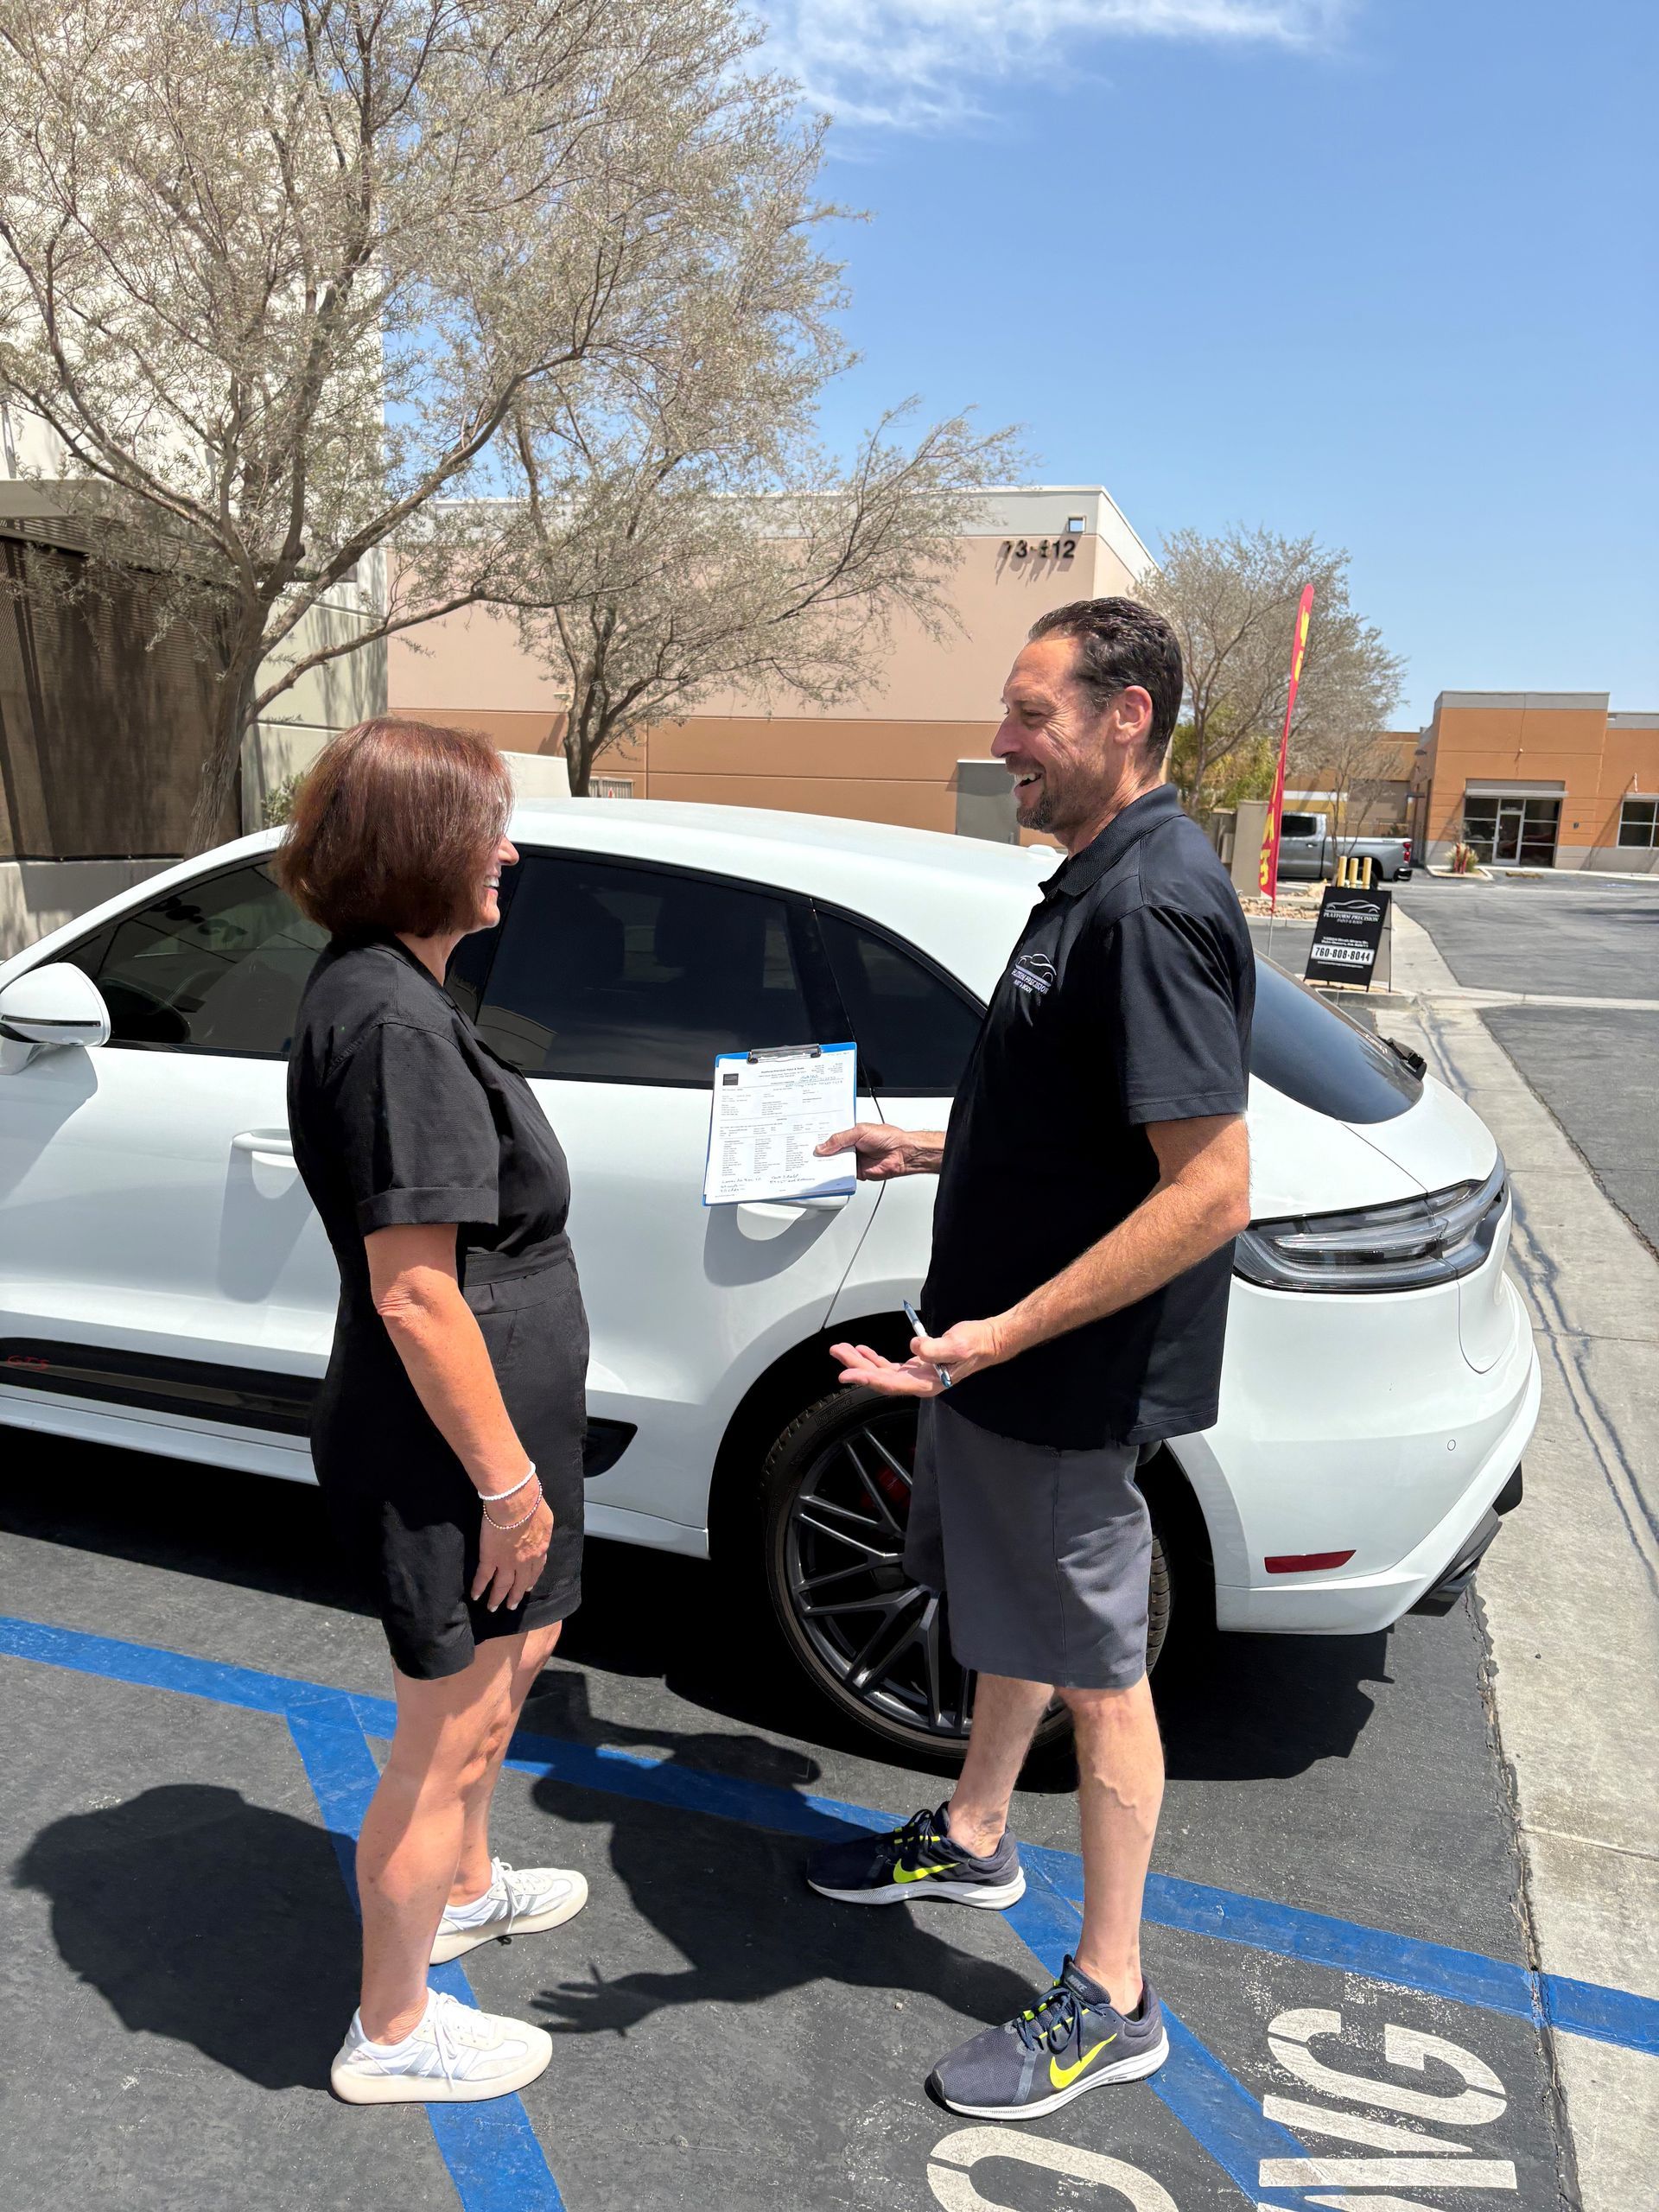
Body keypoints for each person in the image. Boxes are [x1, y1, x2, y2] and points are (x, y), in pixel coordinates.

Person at [804, 598, 1253, 2121]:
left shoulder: (1152, 909)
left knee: (1101, 1675)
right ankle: (978, 1833)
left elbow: (1210, 1187)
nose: (1002, 746)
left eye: (1031, 716)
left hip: (1061, 1379)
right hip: (995, 1366)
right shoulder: (1090, 885)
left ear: (1126, 716)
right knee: (1003, 1613)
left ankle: (1114, 1996)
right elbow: (1080, 1129)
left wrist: (1002, 1334)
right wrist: (925, 1141)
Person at [281, 718, 591, 2105]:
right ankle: (392, 2031)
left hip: (489, 1435)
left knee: (510, 1672)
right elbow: (416, 1298)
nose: (508, 853)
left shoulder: (392, 994)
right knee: (445, 1730)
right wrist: (509, 1487)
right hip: (448, 1451)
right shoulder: (394, 1025)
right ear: (422, 849)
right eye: (489, 829)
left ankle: (462, 1886)